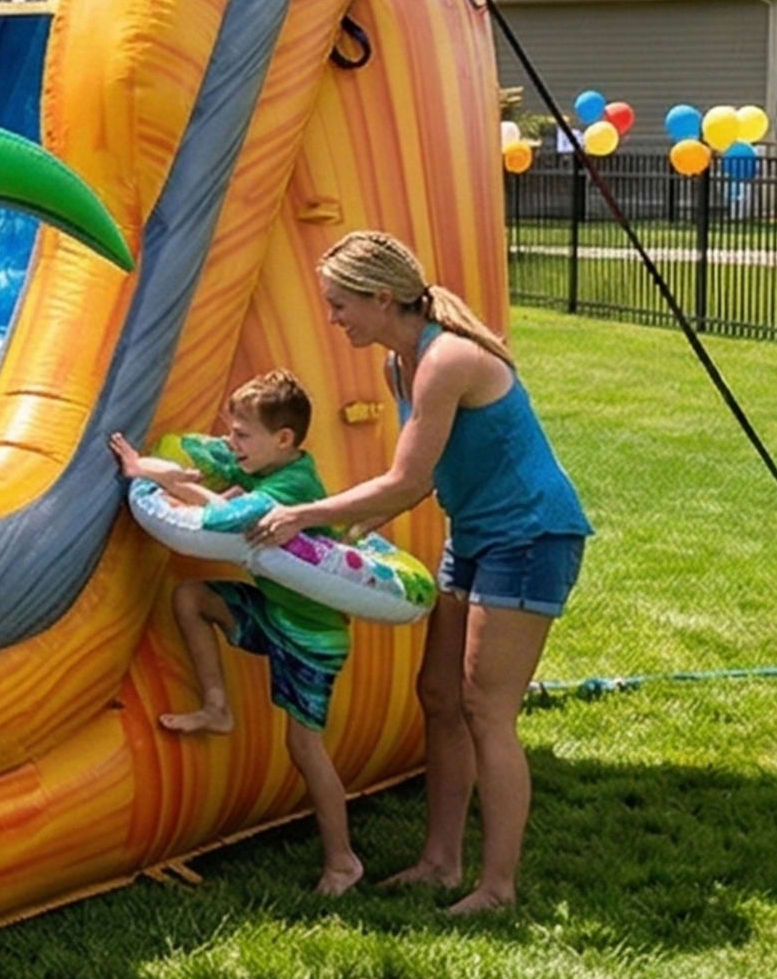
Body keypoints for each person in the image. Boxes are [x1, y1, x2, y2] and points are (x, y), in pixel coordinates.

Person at [249, 231, 593, 917]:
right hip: (476, 535)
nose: (334, 317)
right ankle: (440, 863)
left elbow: (406, 481)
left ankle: (496, 889)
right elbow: (428, 474)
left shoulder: (448, 360)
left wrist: (308, 513)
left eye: (341, 304)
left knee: (484, 709)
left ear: (382, 298)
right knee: (437, 693)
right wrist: (357, 524)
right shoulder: (398, 366)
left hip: (530, 535)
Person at [113, 371, 361, 894]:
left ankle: (342, 861)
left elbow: (230, 521)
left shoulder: (292, 484)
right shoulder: (262, 459)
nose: (232, 442)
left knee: (303, 746)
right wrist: (157, 465)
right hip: (274, 610)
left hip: (313, 636)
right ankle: (217, 706)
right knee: (191, 598)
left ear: (283, 440)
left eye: (242, 435)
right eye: (233, 432)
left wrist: (173, 485)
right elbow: (201, 456)